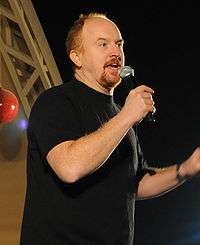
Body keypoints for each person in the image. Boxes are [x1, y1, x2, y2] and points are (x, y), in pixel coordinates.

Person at [20, 12, 200, 245]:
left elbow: (134, 184)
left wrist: (185, 169)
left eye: (119, 44)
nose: (116, 52)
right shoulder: (55, 102)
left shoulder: (119, 115)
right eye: (102, 44)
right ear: (77, 57)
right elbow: (69, 167)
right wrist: (127, 117)